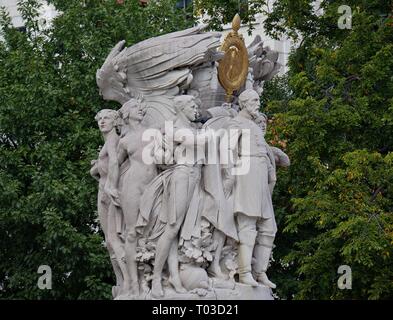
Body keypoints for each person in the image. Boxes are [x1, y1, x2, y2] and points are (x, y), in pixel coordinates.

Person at [226, 89, 277, 288]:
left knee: (268, 228)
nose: (258, 103)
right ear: (244, 103)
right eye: (255, 100)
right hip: (246, 173)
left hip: (261, 176)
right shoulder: (236, 123)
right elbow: (228, 152)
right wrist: (229, 177)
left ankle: (260, 272)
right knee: (247, 224)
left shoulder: (254, 126)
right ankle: (244, 272)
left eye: (258, 100)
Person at [116, 99, 158, 296]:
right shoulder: (124, 141)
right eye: (134, 107)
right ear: (126, 114)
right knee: (133, 233)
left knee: (155, 232)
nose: (140, 109)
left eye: (141, 107)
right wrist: (108, 184)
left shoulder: (154, 132)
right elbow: (114, 165)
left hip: (155, 186)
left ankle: (152, 279)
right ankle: (133, 281)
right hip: (132, 187)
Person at [90, 109, 130, 297]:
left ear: (115, 122)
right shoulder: (107, 142)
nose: (102, 121)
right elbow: (103, 166)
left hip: (108, 191)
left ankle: (128, 281)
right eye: (100, 119)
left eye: (106, 118)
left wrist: (111, 186)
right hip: (103, 189)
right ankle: (122, 281)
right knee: (109, 241)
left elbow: (114, 163)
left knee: (114, 239)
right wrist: (96, 168)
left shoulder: (113, 141)